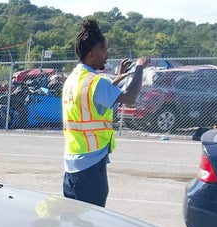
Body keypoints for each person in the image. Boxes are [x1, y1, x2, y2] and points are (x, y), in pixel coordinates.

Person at [62, 17, 151, 207]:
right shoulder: (96, 82)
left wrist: (117, 79)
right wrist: (139, 69)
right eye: (104, 50)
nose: (107, 54)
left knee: (72, 222)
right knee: (92, 225)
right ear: (92, 54)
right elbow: (130, 98)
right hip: (90, 167)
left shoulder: (74, 79)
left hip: (72, 164)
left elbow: (95, 100)